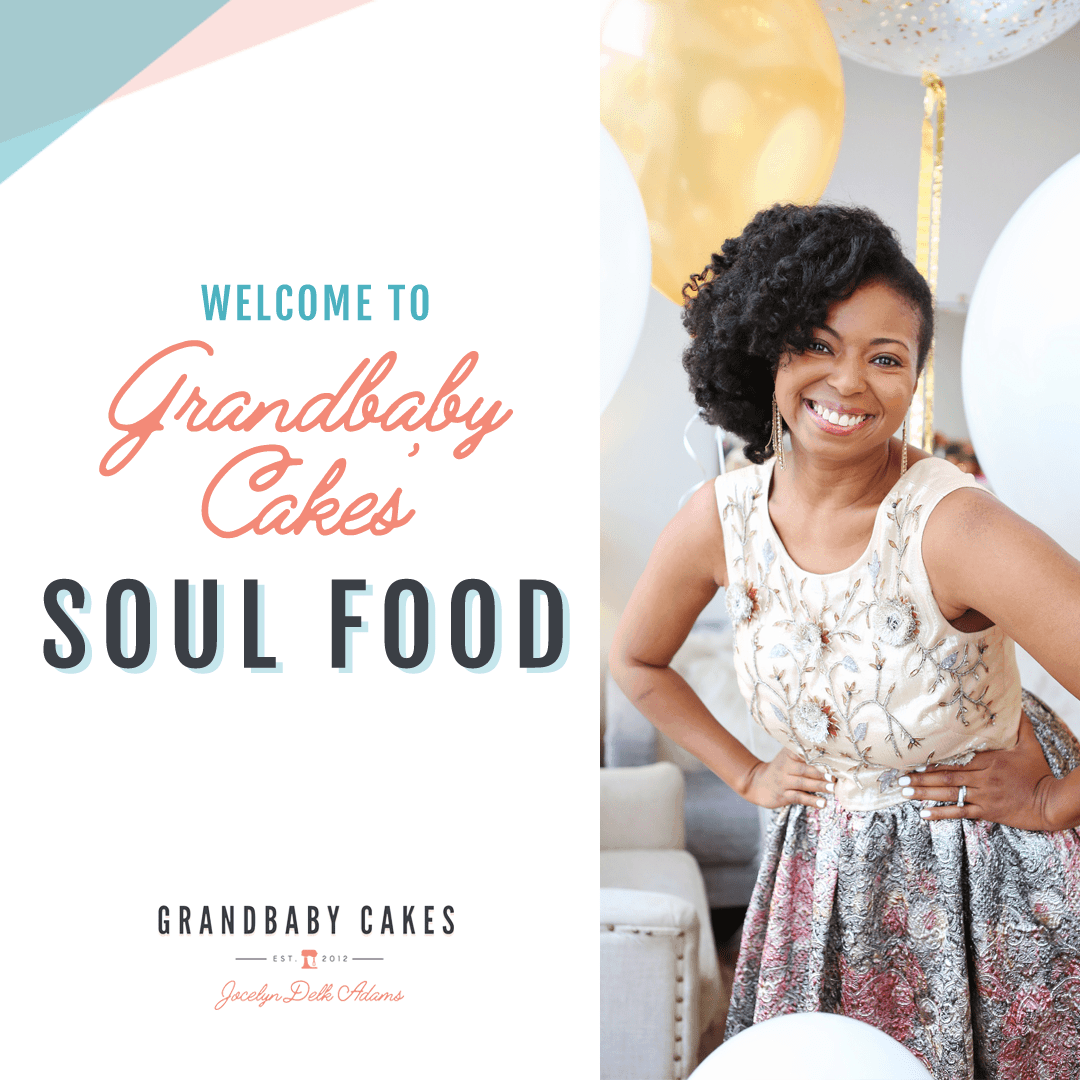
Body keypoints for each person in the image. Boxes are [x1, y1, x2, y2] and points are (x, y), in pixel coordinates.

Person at [608, 204, 1080, 1080]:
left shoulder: (956, 525)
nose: (850, 381)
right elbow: (636, 658)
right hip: (815, 884)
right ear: (766, 352)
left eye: (886, 358)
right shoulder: (723, 518)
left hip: (981, 888)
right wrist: (747, 772)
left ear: (914, 379)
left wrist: (1056, 803)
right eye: (819, 345)